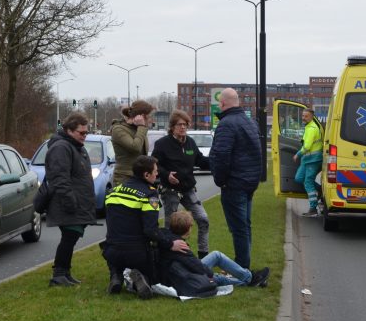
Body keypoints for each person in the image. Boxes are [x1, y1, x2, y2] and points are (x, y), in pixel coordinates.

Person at [102, 155, 189, 298]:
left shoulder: (114, 191)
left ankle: (116, 275)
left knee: (116, 250)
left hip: (111, 250)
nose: (157, 173)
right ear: (146, 174)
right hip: (136, 253)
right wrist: (170, 244)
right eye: (155, 171)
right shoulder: (150, 194)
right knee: (153, 275)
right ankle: (140, 279)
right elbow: (150, 230)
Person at [209, 87, 262, 270]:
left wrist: (220, 180)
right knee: (245, 226)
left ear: (222, 103)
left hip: (234, 183)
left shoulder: (226, 124)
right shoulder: (250, 122)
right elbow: (257, 152)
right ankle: (243, 264)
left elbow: (221, 155)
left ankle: (241, 268)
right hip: (249, 182)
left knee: (238, 228)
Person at [44, 112, 97, 286]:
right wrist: (70, 202)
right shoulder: (61, 148)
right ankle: (59, 274)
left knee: (71, 238)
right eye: (81, 133)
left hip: (77, 202)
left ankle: (64, 273)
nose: (85, 136)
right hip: (67, 203)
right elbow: (59, 179)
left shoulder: (75, 146)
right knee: (69, 237)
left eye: (86, 133)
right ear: (69, 130)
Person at [151, 109, 211, 258]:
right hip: (170, 190)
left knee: (203, 220)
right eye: (179, 124)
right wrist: (166, 174)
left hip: (188, 189)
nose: (183, 127)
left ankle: (203, 256)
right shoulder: (162, 144)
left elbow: (200, 161)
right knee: (170, 225)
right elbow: (154, 164)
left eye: (185, 124)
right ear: (172, 127)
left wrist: (217, 161)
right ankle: (168, 256)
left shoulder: (190, 142)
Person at [163, 211, 270, 290]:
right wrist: (210, 273)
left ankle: (254, 281)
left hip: (179, 275)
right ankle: (250, 278)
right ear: (187, 229)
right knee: (216, 257)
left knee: (219, 278)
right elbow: (196, 266)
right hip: (185, 277)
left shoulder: (169, 238)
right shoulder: (180, 245)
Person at [111, 100, 153, 185]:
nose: (151, 120)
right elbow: (135, 148)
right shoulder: (118, 129)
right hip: (125, 179)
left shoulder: (139, 129)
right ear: (141, 117)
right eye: (149, 117)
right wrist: (141, 126)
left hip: (139, 178)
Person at [293, 108, 324, 217]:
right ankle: (320, 190)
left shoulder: (311, 128)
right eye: (303, 116)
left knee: (308, 182)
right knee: (299, 178)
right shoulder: (309, 127)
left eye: (306, 116)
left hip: (313, 160)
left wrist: (297, 154)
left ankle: (313, 208)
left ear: (311, 117)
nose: (303, 118)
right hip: (307, 160)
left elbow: (307, 146)